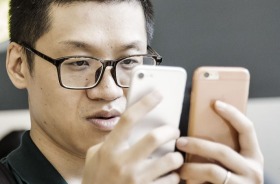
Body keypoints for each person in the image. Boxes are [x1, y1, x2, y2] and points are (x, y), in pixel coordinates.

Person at [1, 0, 263, 183]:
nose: (109, 90)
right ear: (19, 65)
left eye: (128, 62)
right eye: (79, 62)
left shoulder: (186, 176)